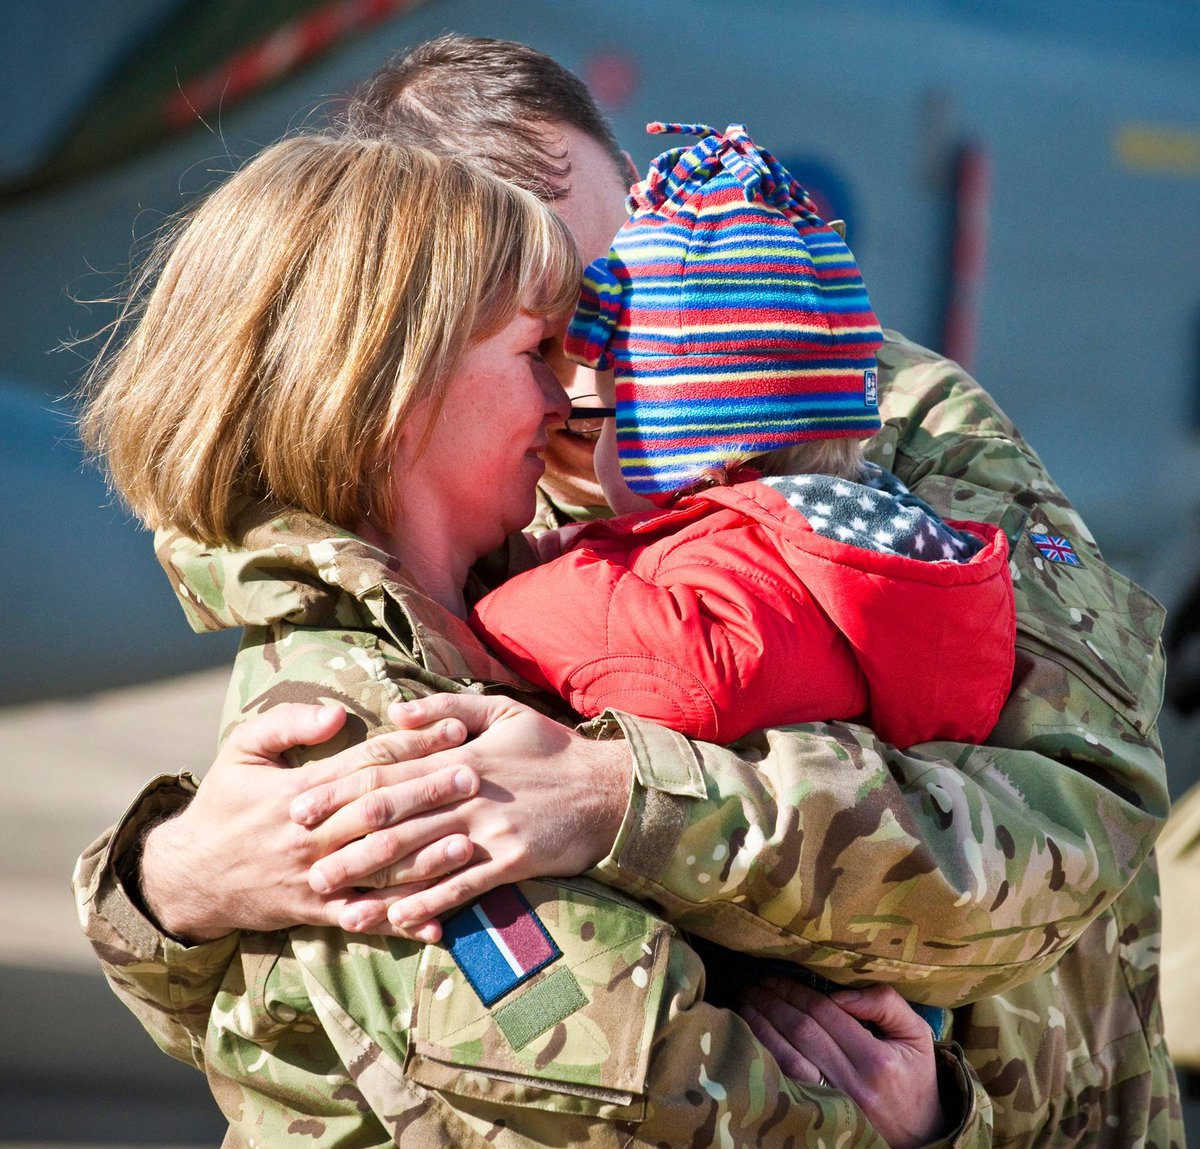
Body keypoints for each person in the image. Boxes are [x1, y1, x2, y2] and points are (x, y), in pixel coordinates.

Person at [72, 35, 1181, 1147]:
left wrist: (625, 800)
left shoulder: (855, 409)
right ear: (399, 353)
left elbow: (1082, 827)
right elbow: (520, 1049)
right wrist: (168, 888)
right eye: (552, 324)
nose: (613, 354)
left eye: (629, 266)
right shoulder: (427, 585)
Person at [471, 121, 1015, 751]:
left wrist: (494, 592)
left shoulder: (746, 572)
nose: (577, 415)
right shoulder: (869, 527)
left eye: (615, 414)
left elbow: (679, 670)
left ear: (685, 455)